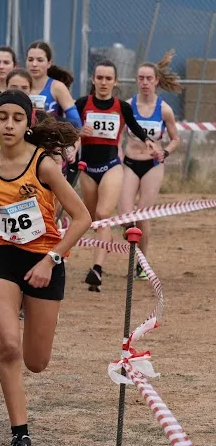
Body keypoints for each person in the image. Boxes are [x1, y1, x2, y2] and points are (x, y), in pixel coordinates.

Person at [0, 91, 91, 446]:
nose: (9, 125)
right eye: (3, 117)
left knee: (36, 362)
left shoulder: (44, 165)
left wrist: (51, 260)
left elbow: (82, 218)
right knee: (8, 346)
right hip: (3, 257)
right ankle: (20, 436)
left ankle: (30, 310)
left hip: (45, 259)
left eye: (17, 118)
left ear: (28, 123)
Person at [76, 61, 157, 289]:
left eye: (108, 78)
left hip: (111, 166)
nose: (103, 82)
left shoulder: (122, 107)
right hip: (87, 169)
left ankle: (97, 270)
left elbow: (135, 127)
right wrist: (78, 131)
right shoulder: (82, 104)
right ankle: (107, 238)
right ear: (93, 80)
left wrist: (149, 141)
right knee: (94, 220)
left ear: (115, 81)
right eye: (99, 78)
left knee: (103, 215)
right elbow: (67, 125)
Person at [120, 57, 182, 268]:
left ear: (156, 81)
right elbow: (118, 135)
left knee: (143, 215)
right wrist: (117, 155)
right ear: (136, 80)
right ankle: (131, 235)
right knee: (125, 216)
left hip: (152, 166)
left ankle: (141, 263)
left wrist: (165, 152)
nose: (145, 82)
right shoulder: (128, 106)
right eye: (141, 78)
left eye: (149, 78)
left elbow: (175, 139)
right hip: (130, 162)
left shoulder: (164, 109)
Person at [24, 41, 81, 129]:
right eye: (30, 60)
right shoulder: (19, 85)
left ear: (49, 63)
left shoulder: (57, 87)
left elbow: (76, 123)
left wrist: (47, 118)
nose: (34, 64)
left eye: (40, 60)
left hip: (49, 136)